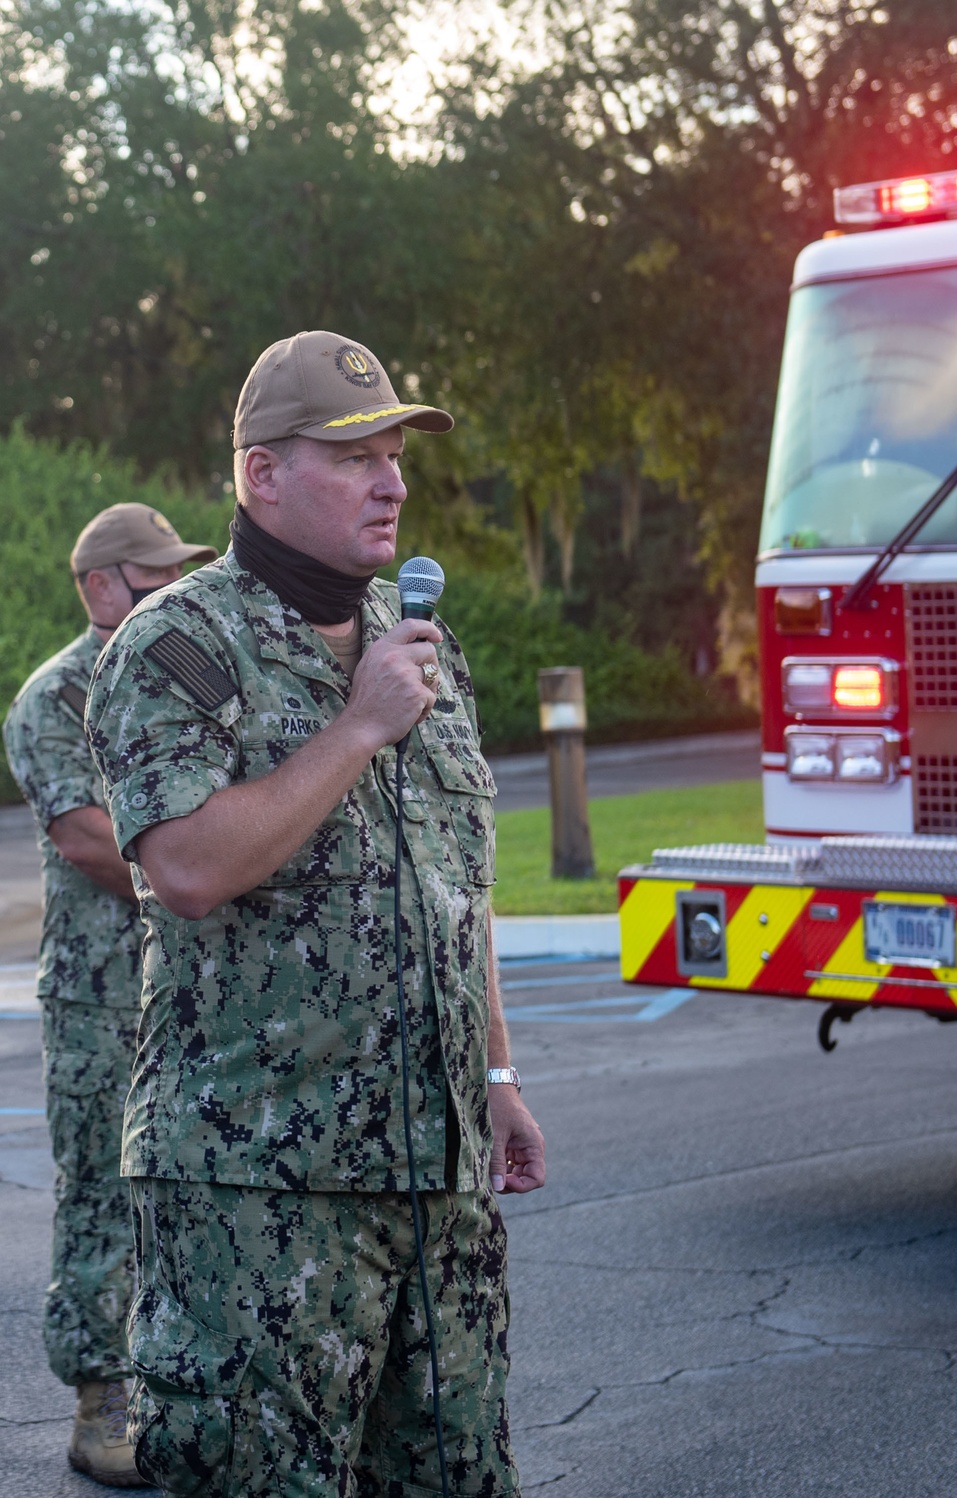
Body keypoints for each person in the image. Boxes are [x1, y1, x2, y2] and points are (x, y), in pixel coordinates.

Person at [84, 329, 546, 1496]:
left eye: (394, 454)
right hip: (257, 1204)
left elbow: (456, 876)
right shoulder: (178, 645)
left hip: (434, 1186)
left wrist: (494, 1076)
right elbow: (183, 865)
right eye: (354, 456)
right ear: (262, 474)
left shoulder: (416, 643)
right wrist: (354, 730)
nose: (390, 481)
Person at [2, 504, 217, 1487]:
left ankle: (184, 1396)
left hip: (194, 984)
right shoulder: (57, 695)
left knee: (193, 1199)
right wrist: (200, 871)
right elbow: (89, 838)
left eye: (179, 572)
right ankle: (101, 1411)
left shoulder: (186, 671)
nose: (172, 587)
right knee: (101, 1200)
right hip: (101, 996)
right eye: (154, 572)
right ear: (99, 583)